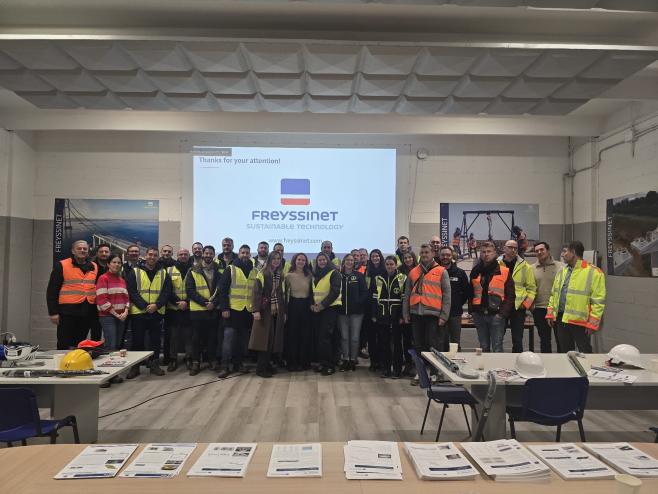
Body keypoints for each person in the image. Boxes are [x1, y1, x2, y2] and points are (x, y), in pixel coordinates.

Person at [403, 244, 451, 384]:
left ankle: (435, 373)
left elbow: (447, 295)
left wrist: (444, 316)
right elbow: (407, 295)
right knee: (418, 345)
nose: (424, 254)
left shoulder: (441, 271)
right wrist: (406, 313)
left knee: (433, 345)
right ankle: (420, 373)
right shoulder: (413, 272)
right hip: (416, 314)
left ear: (433, 254)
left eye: (426, 252)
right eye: (422, 252)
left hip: (433, 315)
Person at [546, 240, 606, 354]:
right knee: (565, 353)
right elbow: (554, 294)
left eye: (565, 251)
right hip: (561, 319)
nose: (562, 254)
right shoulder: (562, 271)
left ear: (573, 252)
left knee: (585, 353)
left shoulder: (594, 272)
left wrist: (592, 323)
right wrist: (550, 314)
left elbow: (598, 301)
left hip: (581, 322)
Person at [125, 247, 171, 377]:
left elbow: (166, 292)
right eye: (150, 254)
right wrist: (145, 306)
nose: (152, 257)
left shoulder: (163, 273)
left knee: (155, 341)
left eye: (155, 255)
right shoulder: (135, 272)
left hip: (156, 312)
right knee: (137, 341)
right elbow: (132, 291)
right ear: (145, 256)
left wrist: (156, 305)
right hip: (139, 312)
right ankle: (135, 367)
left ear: (158, 257)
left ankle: (154, 364)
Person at [47, 240, 99, 350]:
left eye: (85, 249)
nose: (82, 250)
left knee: (80, 344)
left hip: (87, 312)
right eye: (79, 248)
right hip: (67, 312)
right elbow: (52, 290)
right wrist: (53, 312)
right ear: (73, 251)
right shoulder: (62, 265)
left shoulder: (94, 266)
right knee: (64, 343)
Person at [469, 241, 515, 353]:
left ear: (495, 253)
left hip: (496, 316)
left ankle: (497, 366)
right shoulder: (475, 271)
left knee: (497, 348)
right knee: (483, 347)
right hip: (479, 315)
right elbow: (470, 292)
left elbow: (510, 295)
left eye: (489, 251)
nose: (486, 254)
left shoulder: (504, 271)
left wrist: (502, 314)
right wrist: (473, 311)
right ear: (480, 254)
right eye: (483, 252)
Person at [218, 244, 254, 377]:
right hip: (232, 310)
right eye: (243, 252)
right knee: (228, 340)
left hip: (247, 311)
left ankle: (238, 364)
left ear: (250, 255)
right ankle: (225, 366)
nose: (245, 255)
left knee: (242, 341)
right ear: (238, 254)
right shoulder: (231, 269)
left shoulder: (254, 270)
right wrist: (224, 308)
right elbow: (222, 290)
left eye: (247, 253)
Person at [250, 251, 287, 378]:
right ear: (269, 260)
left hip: (276, 311)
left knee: (272, 341)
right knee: (264, 341)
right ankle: (260, 368)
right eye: (274, 258)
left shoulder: (280, 275)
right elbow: (256, 292)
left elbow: (282, 295)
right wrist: (256, 310)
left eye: (278, 258)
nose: (276, 260)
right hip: (265, 311)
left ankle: (267, 365)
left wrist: (284, 312)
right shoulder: (263, 273)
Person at [186, 245, 221, 376]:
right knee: (196, 338)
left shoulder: (219, 271)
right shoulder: (193, 271)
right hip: (198, 311)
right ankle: (196, 362)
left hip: (213, 310)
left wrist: (214, 303)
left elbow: (221, 291)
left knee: (212, 337)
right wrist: (205, 303)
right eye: (206, 253)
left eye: (211, 253)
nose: (208, 255)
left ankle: (212, 360)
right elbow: (190, 291)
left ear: (213, 255)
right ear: (203, 254)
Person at [95, 253, 128, 386]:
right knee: (110, 345)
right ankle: (103, 376)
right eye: (114, 262)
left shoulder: (121, 279)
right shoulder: (103, 278)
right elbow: (102, 299)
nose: (117, 265)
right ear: (108, 264)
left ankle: (113, 374)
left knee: (117, 345)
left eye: (119, 263)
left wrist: (126, 311)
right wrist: (116, 314)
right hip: (108, 316)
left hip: (121, 316)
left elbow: (127, 298)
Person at [372, 256, 407, 378]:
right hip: (382, 315)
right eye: (387, 264)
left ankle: (397, 370)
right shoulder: (378, 278)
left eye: (392, 264)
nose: (389, 266)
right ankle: (386, 369)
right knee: (384, 343)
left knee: (397, 344)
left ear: (396, 265)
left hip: (397, 316)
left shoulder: (402, 278)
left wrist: (402, 315)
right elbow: (374, 298)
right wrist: (374, 314)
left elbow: (404, 299)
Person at [498, 240, 537, 353]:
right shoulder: (496, 264)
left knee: (518, 340)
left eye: (515, 248)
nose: (513, 250)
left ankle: (517, 361)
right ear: (504, 248)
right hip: (501, 306)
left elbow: (532, 288)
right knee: (497, 338)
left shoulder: (525, 266)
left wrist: (525, 305)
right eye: (510, 247)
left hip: (518, 308)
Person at [311, 252, 342, 376]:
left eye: (324, 259)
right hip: (317, 309)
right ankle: (323, 363)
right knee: (319, 338)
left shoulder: (334, 273)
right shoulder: (315, 274)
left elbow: (335, 292)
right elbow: (313, 291)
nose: (322, 262)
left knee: (326, 338)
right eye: (319, 260)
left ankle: (329, 365)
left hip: (330, 309)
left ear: (328, 261)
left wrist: (322, 305)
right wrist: (312, 305)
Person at [531, 241, 564, 353]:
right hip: (539, 309)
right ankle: (546, 362)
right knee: (544, 341)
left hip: (557, 309)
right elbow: (529, 288)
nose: (539, 252)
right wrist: (531, 306)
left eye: (542, 249)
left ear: (548, 250)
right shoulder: (531, 269)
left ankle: (561, 363)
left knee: (561, 340)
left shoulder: (561, 267)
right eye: (537, 251)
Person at [337, 254, 368, 372]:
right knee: (344, 337)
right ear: (344, 261)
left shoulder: (359, 276)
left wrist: (358, 303)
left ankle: (353, 359)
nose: (349, 262)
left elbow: (364, 292)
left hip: (357, 313)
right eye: (347, 260)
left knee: (355, 337)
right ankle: (345, 359)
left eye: (351, 260)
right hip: (341, 312)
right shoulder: (339, 275)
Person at [438, 246, 471, 351]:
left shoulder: (460, 273)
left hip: (455, 314)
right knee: (440, 343)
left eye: (448, 255)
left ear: (452, 256)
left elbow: (466, 292)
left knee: (455, 343)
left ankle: (456, 361)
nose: (445, 257)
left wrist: (457, 303)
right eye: (443, 255)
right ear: (439, 256)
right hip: (438, 313)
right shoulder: (434, 272)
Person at [284, 253, 313, 371]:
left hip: (306, 306)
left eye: (303, 260)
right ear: (294, 261)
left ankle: (304, 362)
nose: (301, 261)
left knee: (305, 335)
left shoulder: (309, 276)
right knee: (293, 335)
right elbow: (284, 294)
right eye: (299, 259)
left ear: (306, 262)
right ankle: (292, 362)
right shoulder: (288, 276)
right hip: (293, 306)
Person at [164, 248, 191, 372]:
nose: (183, 256)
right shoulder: (169, 270)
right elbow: (167, 290)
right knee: (173, 336)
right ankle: (173, 359)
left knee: (189, 335)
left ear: (189, 256)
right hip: (173, 308)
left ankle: (189, 358)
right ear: (177, 256)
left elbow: (195, 289)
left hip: (189, 307)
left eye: (185, 254)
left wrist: (186, 302)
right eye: (181, 254)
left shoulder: (194, 269)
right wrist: (178, 302)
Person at [364, 248, 386, 371]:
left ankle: (382, 361)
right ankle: (374, 362)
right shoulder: (368, 271)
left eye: (377, 256)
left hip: (382, 307)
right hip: (369, 307)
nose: (375, 258)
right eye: (373, 256)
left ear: (380, 257)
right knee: (371, 338)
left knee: (382, 337)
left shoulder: (385, 270)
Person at [397, 250, 417, 375]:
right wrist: (402, 314)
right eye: (405, 258)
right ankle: (408, 363)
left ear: (413, 258)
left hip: (417, 309)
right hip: (404, 310)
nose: (408, 259)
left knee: (417, 340)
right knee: (407, 339)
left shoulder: (420, 271)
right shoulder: (399, 272)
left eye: (410, 257)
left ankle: (418, 364)